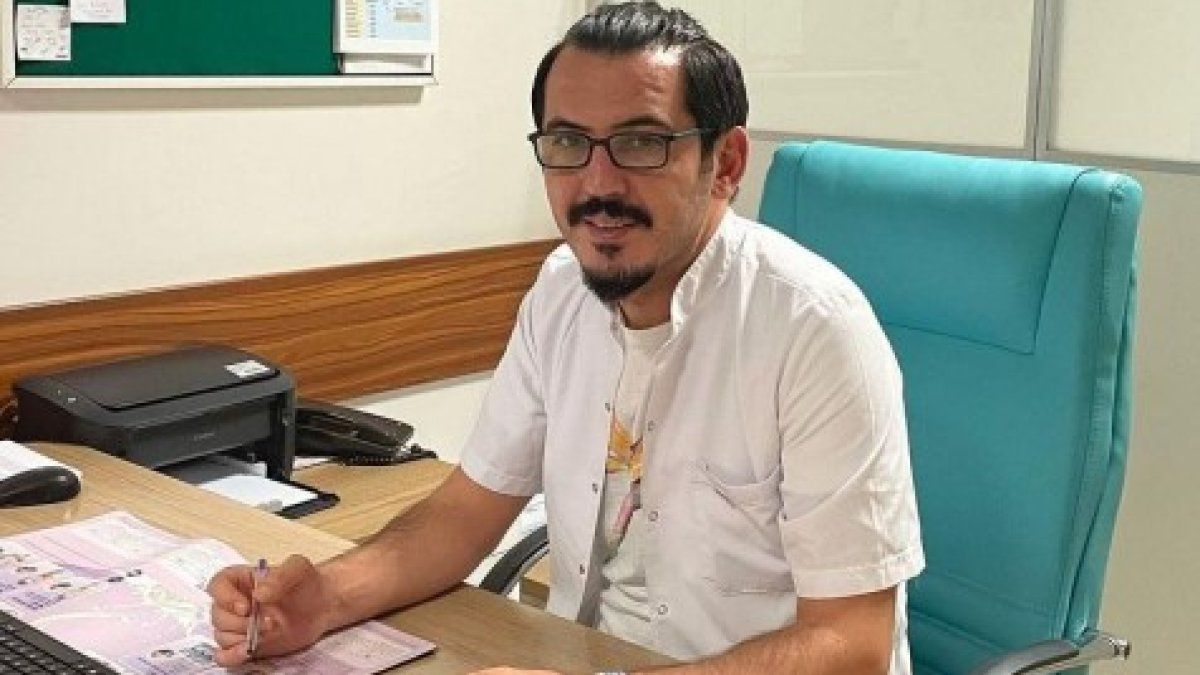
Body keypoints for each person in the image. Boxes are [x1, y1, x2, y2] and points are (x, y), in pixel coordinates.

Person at [207, 3, 924, 673]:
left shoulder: (812, 328)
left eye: (641, 143)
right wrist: (325, 598)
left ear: (726, 164)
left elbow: (851, 641)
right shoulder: (560, 291)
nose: (596, 183)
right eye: (568, 143)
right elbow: (465, 513)